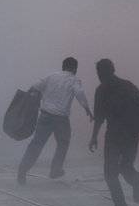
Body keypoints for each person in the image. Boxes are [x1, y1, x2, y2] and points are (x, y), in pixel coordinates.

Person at [89, 59, 139, 206]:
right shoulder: (127, 85)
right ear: (114, 70)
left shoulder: (101, 91)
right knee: (126, 166)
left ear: (99, 74)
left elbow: (99, 118)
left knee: (110, 173)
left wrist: (94, 137)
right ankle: (135, 178)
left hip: (114, 135)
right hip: (132, 133)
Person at [17, 57, 93, 185]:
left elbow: (35, 87)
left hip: (45, 115)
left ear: (63, 66)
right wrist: (87, 109)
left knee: (36, 144)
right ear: (75, 68)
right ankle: (55, 169)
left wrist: (25, 101)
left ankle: (22, 170)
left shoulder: (51, 76)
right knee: (63, 142)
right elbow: (79, 92)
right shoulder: (74, 80)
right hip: (61, 119)